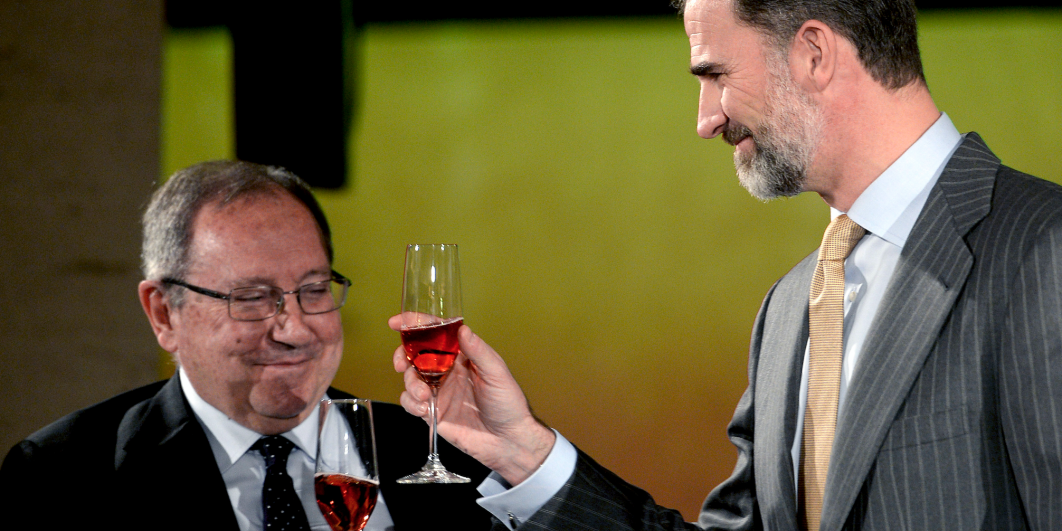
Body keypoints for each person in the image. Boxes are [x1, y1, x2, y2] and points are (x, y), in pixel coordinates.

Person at [391, 0, 1062, 529]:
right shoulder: (788, 309)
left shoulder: (1043, 247)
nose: (706, 120)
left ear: (814, 52)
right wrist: (524, 451)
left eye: (715, 75)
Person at [0, 161, 491, 531]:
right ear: (164, 313)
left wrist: (523, 458)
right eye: (252, 298)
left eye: (314, 290)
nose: (294, 331)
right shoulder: (60, 476)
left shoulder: (443, 452)